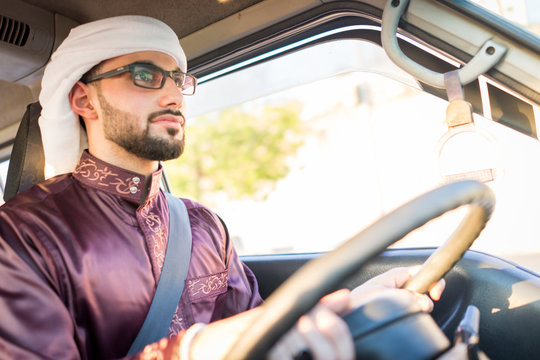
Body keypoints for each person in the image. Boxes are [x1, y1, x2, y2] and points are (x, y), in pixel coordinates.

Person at [0, 15, 444, 360]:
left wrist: (353, 304)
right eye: (144, 75)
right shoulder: (20, 236)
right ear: (83, 99)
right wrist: (194, 351)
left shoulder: (204, 225)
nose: (173, 95)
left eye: (177, 79)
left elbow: (259, 331)